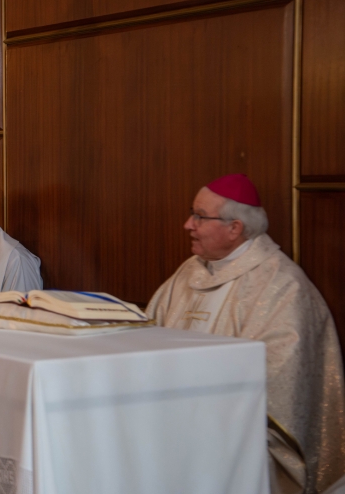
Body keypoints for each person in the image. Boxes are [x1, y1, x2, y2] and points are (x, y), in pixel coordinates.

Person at [146, 174, 345, 494]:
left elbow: (283, 382)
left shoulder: (281, 285)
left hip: (240, 435)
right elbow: (146, 335)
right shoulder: (190, 271)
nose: (188, 224)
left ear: (234, 228)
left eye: (199, 216)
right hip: (172, 418)